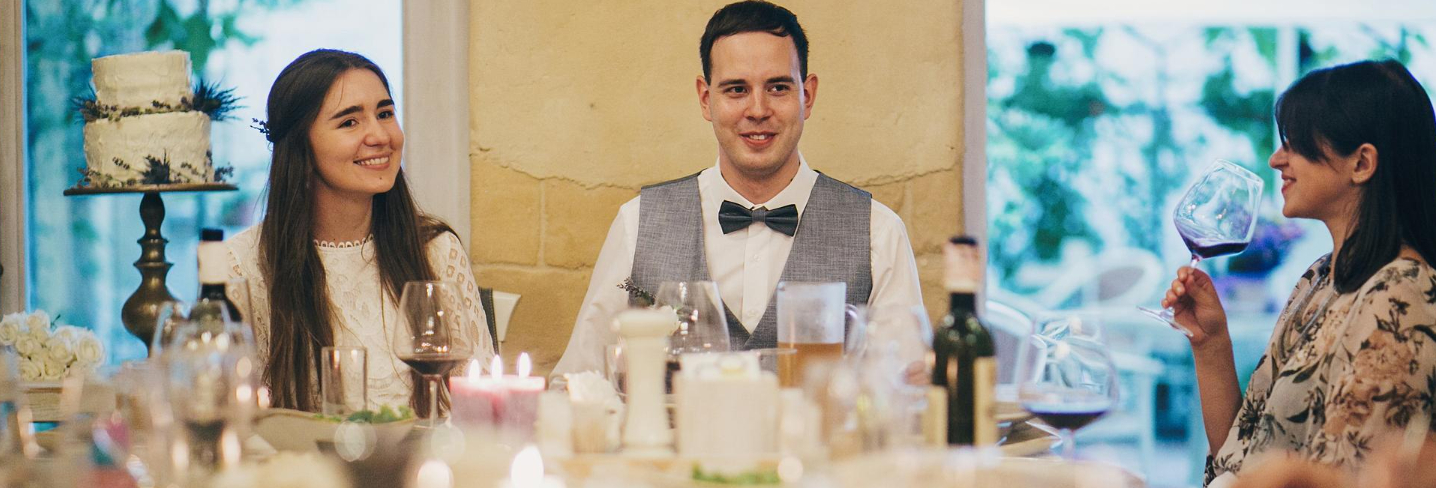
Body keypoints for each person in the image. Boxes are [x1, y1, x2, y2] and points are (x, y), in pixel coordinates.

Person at [553, 0, 923, 376]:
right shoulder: (637, 224)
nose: (758, 109)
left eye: (778, 87)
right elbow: (580, 384)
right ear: (705, 98)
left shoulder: (879, 232)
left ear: (806, 96)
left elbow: (907, 400)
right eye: (736, 89)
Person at [1162, 59, 1436, 488]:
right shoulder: (1321, 277)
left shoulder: (1403, 294)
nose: (1276, 158)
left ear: (1361, 164)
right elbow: (1239, 457)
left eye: (1296, 143)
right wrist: (1210, 342)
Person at [227, 49, 494, 416]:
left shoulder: (436, 250)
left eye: (385, 113)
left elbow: (479, 405)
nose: (380, 135)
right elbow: (233, 419)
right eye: (349, 122)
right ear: (301, 147)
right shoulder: (243, 265)